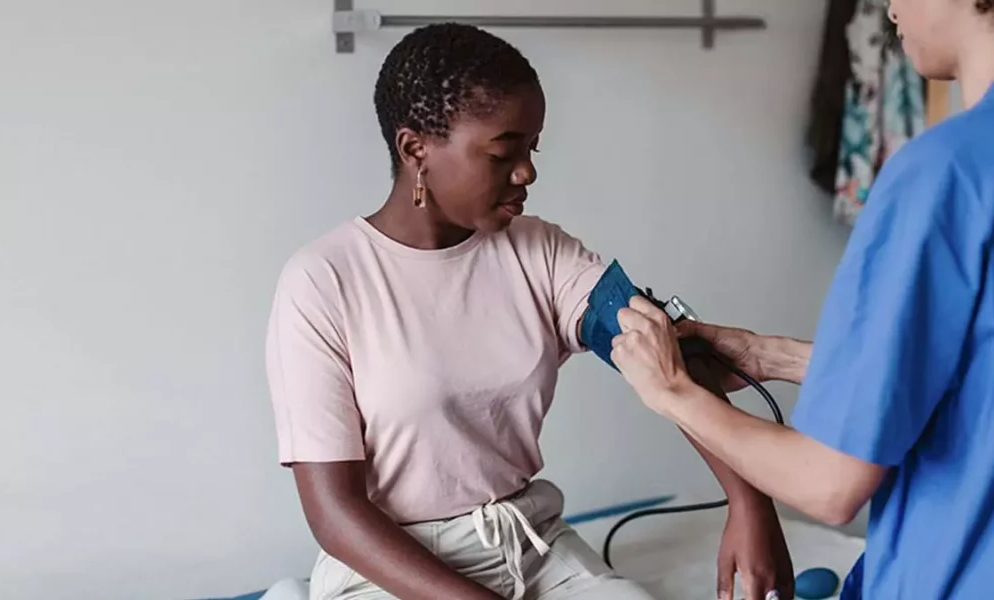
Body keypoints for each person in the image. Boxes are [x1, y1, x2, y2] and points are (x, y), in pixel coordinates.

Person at [265, 22, 794, 600]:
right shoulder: (322, 282)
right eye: (503, 152)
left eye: (531, 148)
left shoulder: (540, 250)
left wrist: (750, 503)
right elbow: (336, 515)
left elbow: (667, 358)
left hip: (529, 545)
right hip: (389, 569)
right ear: (415, 148)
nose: (527, 172)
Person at [609, 1, 994, 598]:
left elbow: (830, 485)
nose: (890, 6)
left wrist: (673, 392)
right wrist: (772, 357)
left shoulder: (942, 175)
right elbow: (972, 377)